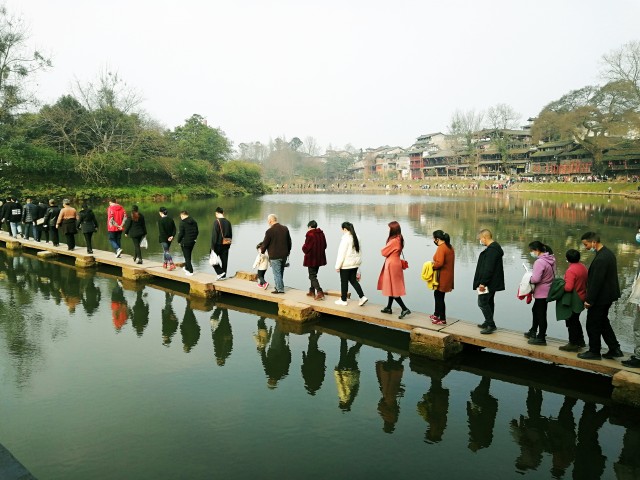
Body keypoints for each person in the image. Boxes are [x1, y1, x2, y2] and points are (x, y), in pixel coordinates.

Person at [577, 231, 623, 360]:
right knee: (603, 322)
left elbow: (597, 281)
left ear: (594, 242)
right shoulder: (607, 253)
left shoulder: (602, 258)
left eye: (586, 244)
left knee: (592, 323)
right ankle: (615, 348)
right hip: (608, 295)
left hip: (601, 297)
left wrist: (589, 300)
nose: (585, 247)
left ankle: (594, 351)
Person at [474, 229, 505, 335]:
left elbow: (488, 269)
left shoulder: (492, 251)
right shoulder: (494, 249)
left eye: (480, 239)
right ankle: (487, 322)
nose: (480, 241)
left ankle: (491, 325)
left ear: (485, 238)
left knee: (482, 302)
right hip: (492, 282)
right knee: (489, 301)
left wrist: (482, 283)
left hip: (488, 283)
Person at [525, 241, 556, 346]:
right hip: (547, 290)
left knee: (541, 314)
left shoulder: (540, 262)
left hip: (541, 292)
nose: (531, 252)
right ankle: (533, 331)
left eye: (532, 250)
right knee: (536, 310)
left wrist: (528, 279)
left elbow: (536, 279)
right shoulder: (550, 259)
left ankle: (541, 337)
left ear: (537, 250)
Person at [377, 220, 410, 319]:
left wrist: (383, 248)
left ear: (393, 229)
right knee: (392, 286)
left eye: (389, 228)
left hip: (392, 264)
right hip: (396, 263)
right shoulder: (399, 238)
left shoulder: (394, 241)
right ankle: (389, 307)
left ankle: (404, 309)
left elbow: (383, 252)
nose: (388, 229)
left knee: (394, 288)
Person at [558, 249, 587, 351]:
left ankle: (573, 343)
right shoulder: (583, 267)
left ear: (567, 258)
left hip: (574, 299)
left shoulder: (571, 270)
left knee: (571, 321)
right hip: (582, 296)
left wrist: (561, 285)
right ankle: (580, 341)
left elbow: (569, 288)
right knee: (576, 320)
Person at [334, 221, 367, 306]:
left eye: (342, 229)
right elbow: (359, 251)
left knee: (344, 282)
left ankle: (343, 300)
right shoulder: (357, 237)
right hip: (355, 264)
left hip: (346, 265)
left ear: (345, 229)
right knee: (353, 281)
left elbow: (341, 253)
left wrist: (338, 266)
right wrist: (358, 264)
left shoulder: (345, 239)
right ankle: (362, 297)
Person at [260, 214, 291, 294]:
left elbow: (265, 243)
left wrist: (262, 252)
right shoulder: (285, 228)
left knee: (277, 273)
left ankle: (280, 289)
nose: (268, 222)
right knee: (280, 272)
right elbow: (289, 242)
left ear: (270, 221)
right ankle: (278, 286)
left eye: (268, 221)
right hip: (284, 254)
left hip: (275, 255)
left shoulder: (269, 231)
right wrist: (288, 251)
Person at [431, 229, 455, 325]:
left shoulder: (442, 248)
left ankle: (442, 319)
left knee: (439, 297)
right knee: (438, 295)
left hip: (442, 276)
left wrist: (431, 265)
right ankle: (436, 315)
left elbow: (439, 263)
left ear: (437, 239)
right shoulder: (450, 247)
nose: (433, 240)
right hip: (448, 275)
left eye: (433, 238)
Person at [302, 220, 327, 301]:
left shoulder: (310, 234)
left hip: (312, 259)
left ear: (309, 227)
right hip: (319, 258)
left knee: (312, 276)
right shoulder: (321, 233)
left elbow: (306, 248)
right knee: (314, 275)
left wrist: (303, 247)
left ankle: (319, 292)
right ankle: (312, 291)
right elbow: (325, 245)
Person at [211, 207, 232, 280]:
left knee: (212, 260)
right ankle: (223, 275)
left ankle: (220, 272)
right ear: (223, 213)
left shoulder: (216, 222)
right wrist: (229, 245)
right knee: (224, 261)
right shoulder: (228, 222)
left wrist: (212, 248)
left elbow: (214, 236)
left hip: (217, 245)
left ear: (216, 213)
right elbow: (231, 234)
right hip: (226, 244)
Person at [177, 210, 199, 276]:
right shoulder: (194, 221)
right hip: (192, 241)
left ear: (182, 215)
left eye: (181, 216)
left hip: (185, 242)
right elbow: (197, 231)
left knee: (187, 257)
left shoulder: (182, 223)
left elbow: (181, 234)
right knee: (188, 255)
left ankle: (191, 271)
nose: (180, 218)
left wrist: (178, 241)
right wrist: (194, 238)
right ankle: (186, 267)